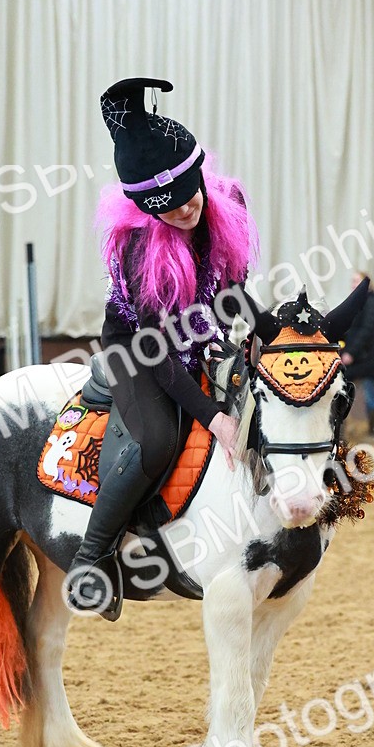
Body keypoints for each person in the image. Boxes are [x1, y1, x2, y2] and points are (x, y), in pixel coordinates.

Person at [69, 77, 258, 618]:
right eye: (166, 208)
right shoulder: (137, 249)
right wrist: (214, 418)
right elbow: (158, 353)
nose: (182, 211)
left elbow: (235, 295)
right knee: (156, 438)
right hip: (139, 346)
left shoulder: (226, 208)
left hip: (196, 328)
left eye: (186, 196)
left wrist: (267, 333)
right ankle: (92, 556)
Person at [339, 271, 374, 434]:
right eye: (352, 281)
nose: (353, 284)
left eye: (356, 281)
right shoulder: (354, 302)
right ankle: (341, 429)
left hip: (367, 357)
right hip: (354, 356)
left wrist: (351, 352)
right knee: (342, 393)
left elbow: (367, 329)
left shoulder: (370, 302)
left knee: (371, 397)